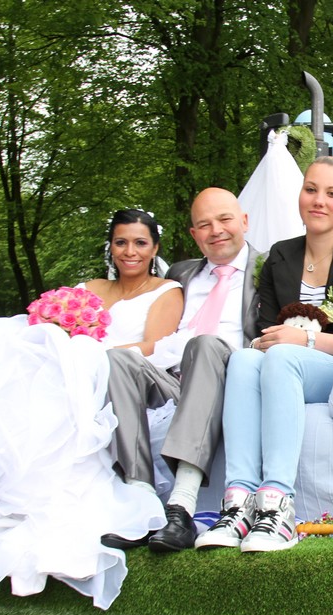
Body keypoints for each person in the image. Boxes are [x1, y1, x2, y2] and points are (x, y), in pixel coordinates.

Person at [0, 210, 183, 609]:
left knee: (65, 378)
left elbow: (151, 346)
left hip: (124, 380)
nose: (130, 251)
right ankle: (11, 495)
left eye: (140, 243)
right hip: (69, 378)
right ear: (110, 247)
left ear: (155, 248)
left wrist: (85, 355)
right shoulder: (89, 288)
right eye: (121, 242)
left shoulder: (167, 291)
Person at [195, 156, 333, 552]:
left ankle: (278, 506)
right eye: (311, 190)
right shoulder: (280, 256)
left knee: (282, 357)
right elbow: (266, 331)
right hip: (285, 364)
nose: (319, 200)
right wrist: (274, 343)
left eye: (332, 193)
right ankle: (239, 503)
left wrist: (305, 341)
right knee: (244, 359)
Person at [102, 187, 261, 553]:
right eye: (204, 225)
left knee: (204, 344)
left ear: (244, 221)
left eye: (224, 219)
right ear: (193, 234)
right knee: (118, 360)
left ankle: (182, 507)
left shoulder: (270, 268)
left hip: (230, 377)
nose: (215, 231)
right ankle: (140, 502)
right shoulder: (181, 274)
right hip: (174, 379)